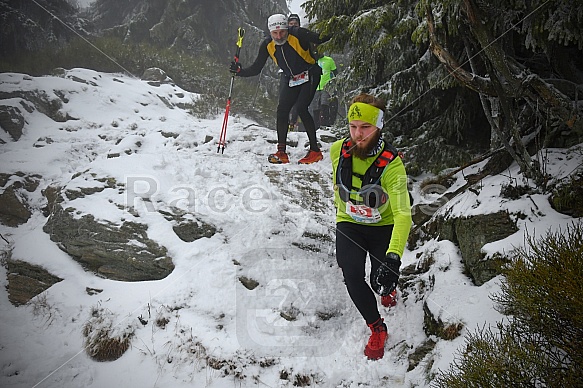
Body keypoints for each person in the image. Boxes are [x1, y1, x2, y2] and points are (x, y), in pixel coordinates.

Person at [330, 93, 412, 360]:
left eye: (365, 127)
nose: (358, 134)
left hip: (382, 227)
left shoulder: (393, 165)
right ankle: (377, 327)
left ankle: (387, 290)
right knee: (351, 274)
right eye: (353, 127)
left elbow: (403, 214)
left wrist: (393, 257)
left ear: (378, 126)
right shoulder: (336, 152)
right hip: (349, 224)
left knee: (381, 281)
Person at [230, 14, 327, 164]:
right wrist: (240, 71)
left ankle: (315, 151)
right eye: (275, 33)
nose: (279, 36)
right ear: (270, 32)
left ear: (287, 28)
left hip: (310, 74)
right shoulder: (268, 45)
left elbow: (321, 37)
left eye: (282, 31)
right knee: (282, 110)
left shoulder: (298, 34)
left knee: (301, 108)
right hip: (292, 78)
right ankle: (281, 152)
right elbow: (256, 68)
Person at [309, 53, 337, 128]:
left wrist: (334, 83)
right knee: (315, 107)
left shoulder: (329, 60)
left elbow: (335, 72)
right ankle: (316, 125)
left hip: (326, 86)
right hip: (315, 87)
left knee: (324, 104)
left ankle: (325, 123)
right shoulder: (312, 61)